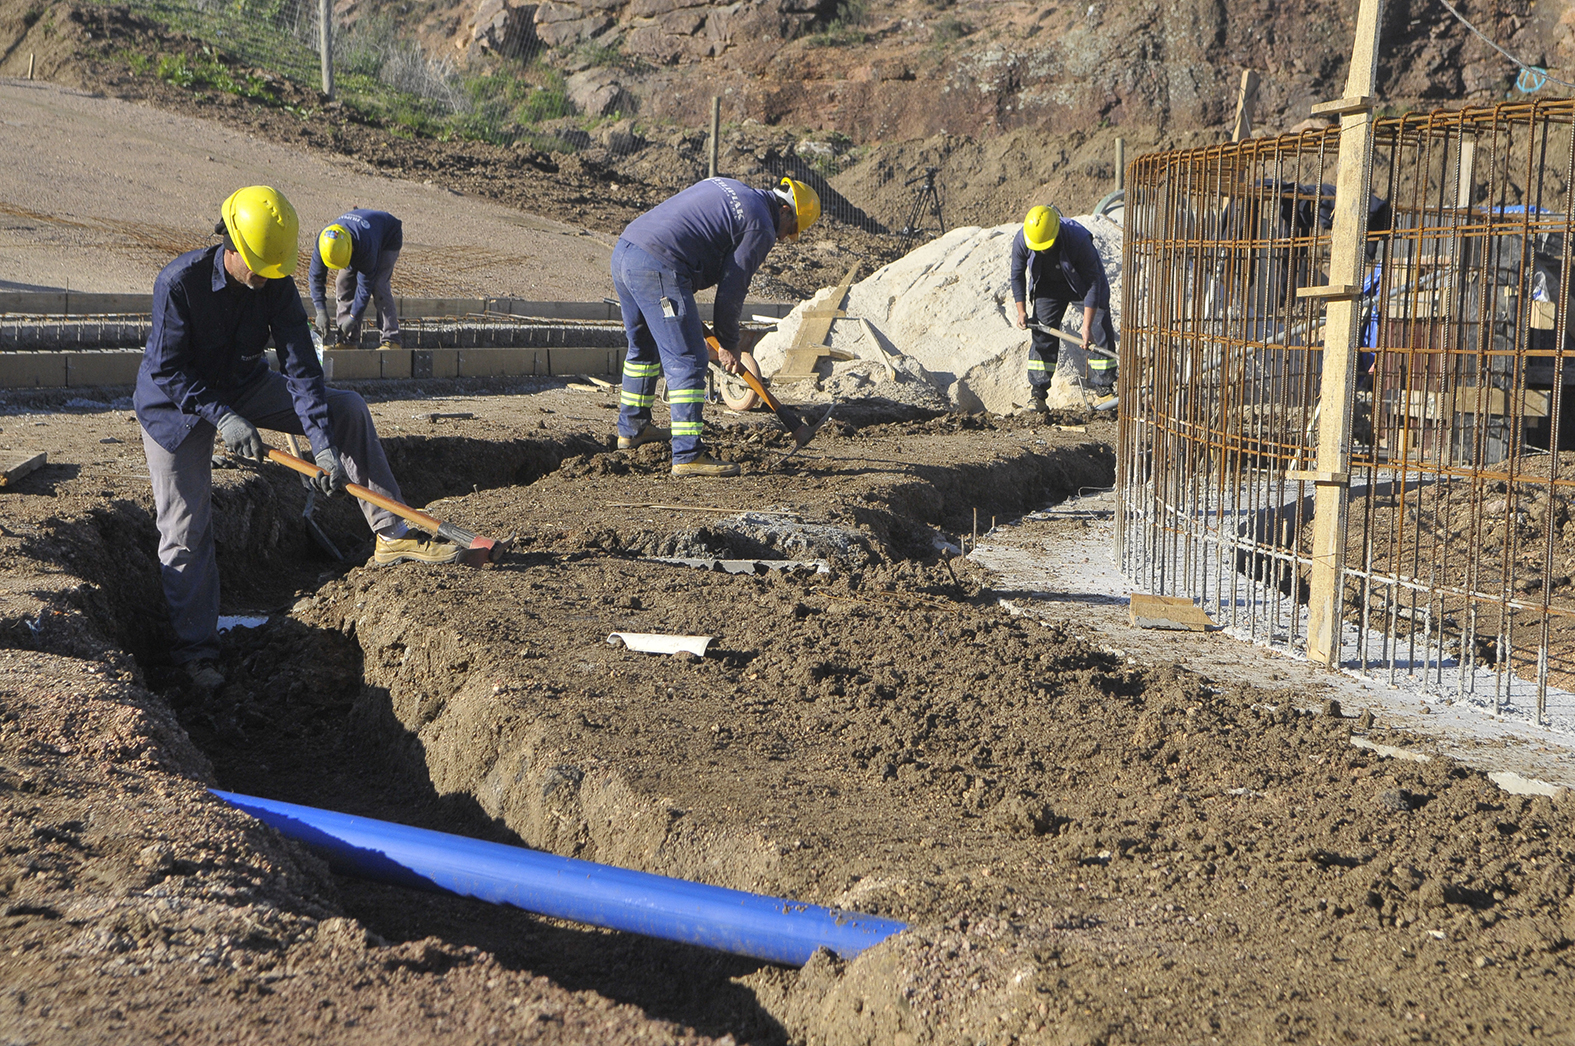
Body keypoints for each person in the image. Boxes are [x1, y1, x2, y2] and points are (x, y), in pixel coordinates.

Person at [136, 186, 458, 692]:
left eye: (274, 269)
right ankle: (195, 652)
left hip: (242, 383)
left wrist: (322, 444)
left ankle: (393, 534)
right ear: (232, 246)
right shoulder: (179, 283)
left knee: (345, 407)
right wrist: (224, 419)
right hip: (175, 405)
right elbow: (169, 372)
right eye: (259, 267)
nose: (266, 278)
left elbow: (302, 368)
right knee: (185, 526)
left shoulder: (275, 285)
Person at [612, 175, 820, 476]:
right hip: (660, 265)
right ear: (786, 211)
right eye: (791, 229)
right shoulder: (760, 225)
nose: (785, 238)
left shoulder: (730, 186)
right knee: (689, 359)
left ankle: (632, 429)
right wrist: (729, 344)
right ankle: (688, 455)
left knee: (643, 349)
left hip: (626, 251)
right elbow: (732, 290)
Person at [1009, 204, 1118, 411]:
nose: (1042, 250)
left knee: (1099, 328)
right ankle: (1038, 395)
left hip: (1083, 284)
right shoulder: (1023, 238)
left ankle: (1104, 390)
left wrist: (1086, 327)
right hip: (1048, 286)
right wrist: (1021, 311)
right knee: (1042, 334)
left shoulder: (1078, 239)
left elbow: (1094, 284)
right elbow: (1017, 274)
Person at [308, 208, 404, 349]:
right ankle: (347, 341)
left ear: (350, 248)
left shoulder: (366, 245)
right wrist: (320, 311)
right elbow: (315, 277)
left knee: (379, 285)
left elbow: (364, 288)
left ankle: (392, 339)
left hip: (387, 236)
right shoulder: (324, 241)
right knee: (343, 282)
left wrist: (352, 319)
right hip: (361, 237)